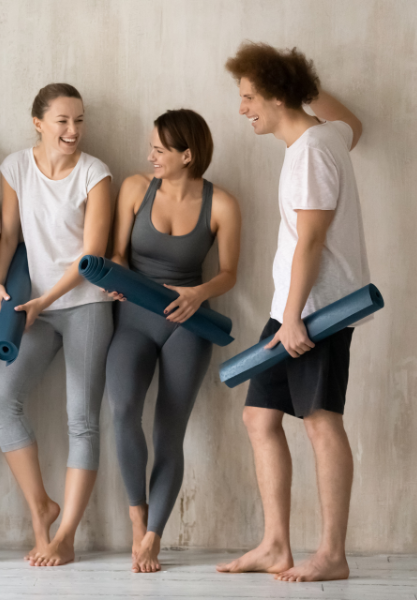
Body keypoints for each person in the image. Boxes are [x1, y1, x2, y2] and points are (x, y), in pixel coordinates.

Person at [217, 42, 369, 583]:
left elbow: (310, 241)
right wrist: (292, 78)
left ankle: (332, 553)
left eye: (250, 96)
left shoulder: (309, 151)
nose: (242, 108)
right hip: (294, 306)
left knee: (321, 424)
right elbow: (353, 121)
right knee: (259, 417)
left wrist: (292, 318)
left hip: (314, 310)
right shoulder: (329, 134)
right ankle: (276, 544)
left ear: (280, 96)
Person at [106, 109, 241, 573]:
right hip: (133, 320)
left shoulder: (222, 203)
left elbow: (227, 274)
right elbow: (119, 252)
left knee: (169, 432)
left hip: (188, 323)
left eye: (160, 150)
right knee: (122, 409)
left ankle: (153, 537)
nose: (150, 156)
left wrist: (198, 293)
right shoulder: (134, 188)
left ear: (188, 154)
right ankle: (136, 515)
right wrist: (114, 275)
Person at [0, 83, 113, 567]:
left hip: (84, 304)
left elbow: (91, 256)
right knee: (1, 398)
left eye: (79, 120)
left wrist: (47, 299)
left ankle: (65, 536)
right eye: (62, 120)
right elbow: (11, 235)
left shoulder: (95, 174)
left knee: (81, 420)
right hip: (32, 307)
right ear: (38, 122)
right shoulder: (15, 166)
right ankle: (41, 504)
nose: (73, 130)